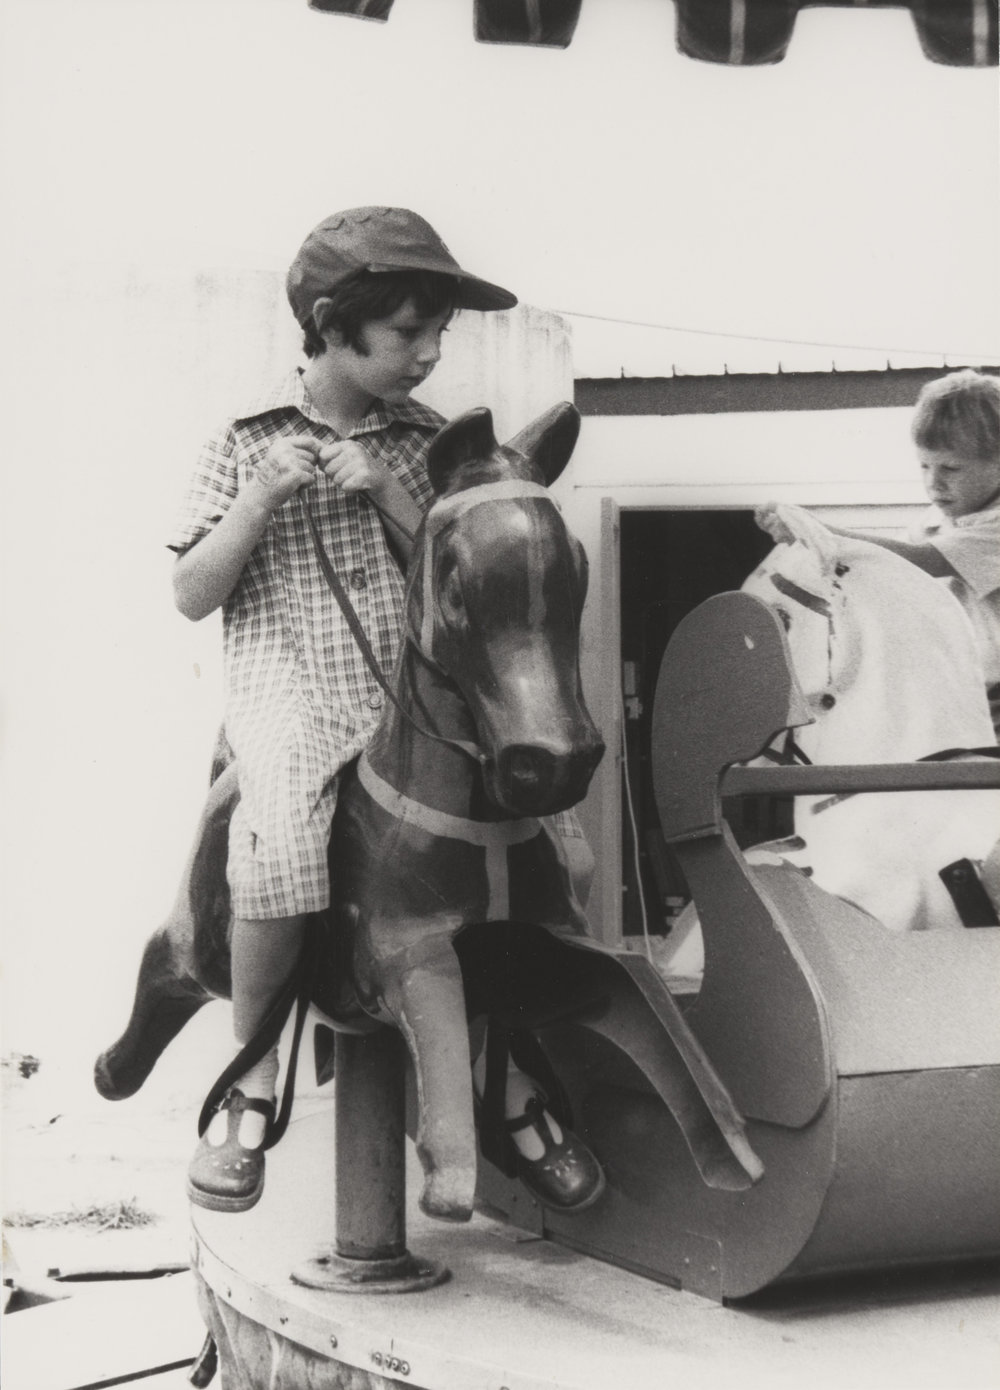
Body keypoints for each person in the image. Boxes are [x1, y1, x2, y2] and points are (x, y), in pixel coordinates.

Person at [171, 206, 601, 1216]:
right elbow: (192, 591)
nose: (427, 352)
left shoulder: (428, 447)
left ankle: (506, 1078)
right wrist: (257, 504)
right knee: (280, 841)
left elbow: (469, 580)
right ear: (332, 323)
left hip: (411, 703)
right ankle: (253, 1071)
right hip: (294, 690)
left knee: (539, 850)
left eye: (436, 334)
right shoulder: (244, 438)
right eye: (408, 332)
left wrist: (389, 497)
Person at [757, 369, 1000, 738]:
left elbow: (911, 561)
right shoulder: (933, 523)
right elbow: (879, 578)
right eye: (924, 465)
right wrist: (805, 541)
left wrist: (818, 532)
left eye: (951, 468)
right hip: (955, 694)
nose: (934, 482)